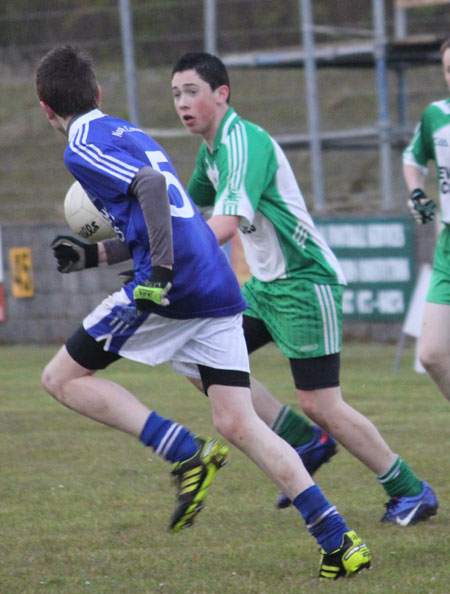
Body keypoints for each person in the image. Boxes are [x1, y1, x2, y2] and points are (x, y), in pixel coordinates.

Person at [35, 45, 371, 581]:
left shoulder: (80, 147)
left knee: (62, 378)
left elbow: (147, 192)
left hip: (172, 286)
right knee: (240, 422)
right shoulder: (129, 132)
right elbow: (173, 215)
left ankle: (185, 452)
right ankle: (338, 539)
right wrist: (95, 255)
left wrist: (160, 274)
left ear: (45, 107)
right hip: (214, 283)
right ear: (98, 94)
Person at [171, 51, 438, 524]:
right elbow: (188, 213)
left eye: (191, 91)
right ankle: (302, 440)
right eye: (175, 94)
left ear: (221, 94)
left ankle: (410, 490)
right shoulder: (212, 151)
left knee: (322, 403)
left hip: (304, 283)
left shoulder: (243, 143)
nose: (182, 103)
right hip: (266, 288)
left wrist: (165, 259)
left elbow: (225, 224)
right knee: (196, 355)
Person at [403, 36, 450, 407]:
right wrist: (416, 192)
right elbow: (413, 159)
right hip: (448, 246)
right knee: (431, 354)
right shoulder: (436, 115)